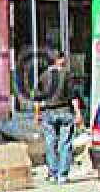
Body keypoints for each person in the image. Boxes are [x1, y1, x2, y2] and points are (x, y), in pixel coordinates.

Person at [35, 53, 85, 185]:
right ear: (60, 60)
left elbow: (37, 98)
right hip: (64, 111)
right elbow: (73, 97)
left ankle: (52, 173)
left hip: (48, 112)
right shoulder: (67, 75)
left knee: (50, 143)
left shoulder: (43, 76)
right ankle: (62, 175)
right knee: (65, 143)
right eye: (63, 58)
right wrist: (78, 113)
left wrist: (38, 114)